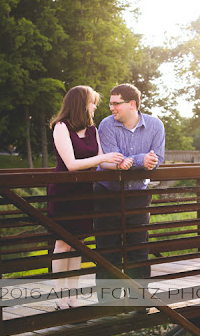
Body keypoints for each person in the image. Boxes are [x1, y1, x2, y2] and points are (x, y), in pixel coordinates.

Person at [48, 85, 124, 309]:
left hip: (84, 193)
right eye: (92, 102)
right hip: (63, 193)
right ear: (81, 104)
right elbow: (71, 165)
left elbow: (102, 159)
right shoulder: (61, 127)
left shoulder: (92, 129)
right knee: (63, 244)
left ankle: (73, 296)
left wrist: (120, 162)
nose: (95, 107)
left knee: (79, 243)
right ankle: (59, 297)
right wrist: (104, 158)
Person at [94, 83, 165, 298]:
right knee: (108, 249)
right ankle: (109, 303)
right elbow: (112, 160)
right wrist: (141, 159)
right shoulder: (106, 125)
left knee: (138, 249)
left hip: (138, 195)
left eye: (116, 104)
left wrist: (141, 161)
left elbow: (158, 159)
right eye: (110, 104)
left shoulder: (155, 125)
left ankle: (139, 300)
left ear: (132, 104)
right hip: (107, 193)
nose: (112, 108)